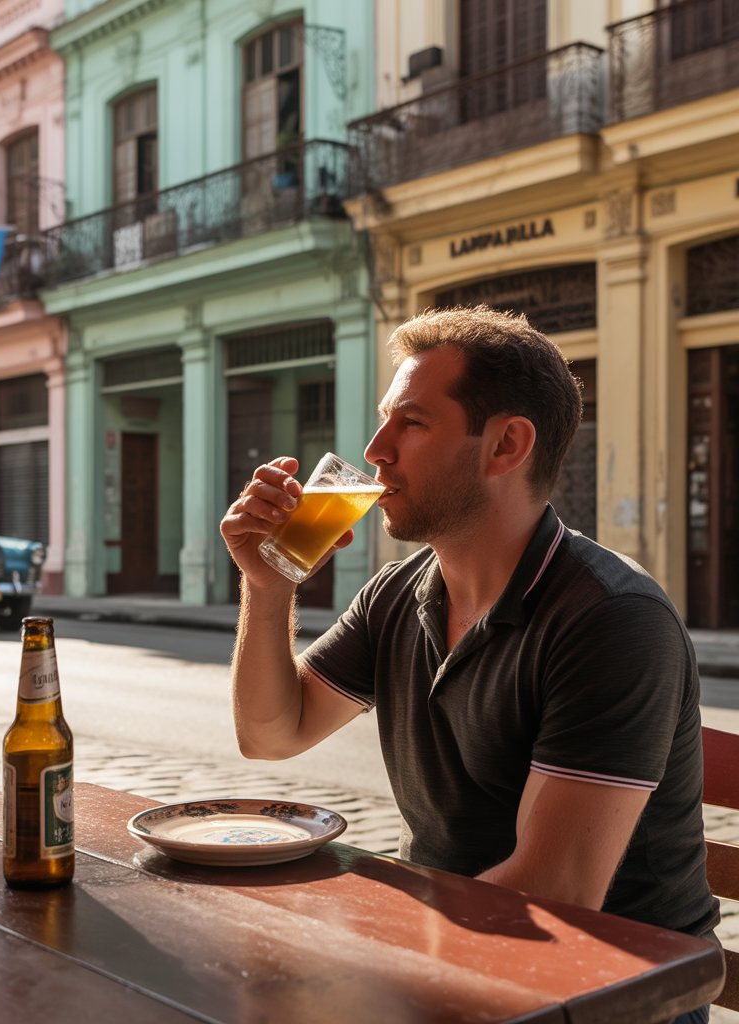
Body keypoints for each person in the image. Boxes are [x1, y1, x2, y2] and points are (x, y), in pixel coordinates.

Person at [220, 306, 720, 1024]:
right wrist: (268, 589)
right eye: (385, 421)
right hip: (450, 955)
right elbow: (271, 733)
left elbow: (555, 891)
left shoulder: (612, 618)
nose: (376, 449)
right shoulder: (397, 593)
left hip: (604, 991)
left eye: (412, 423)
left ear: (507, 445)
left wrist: (356, 945)